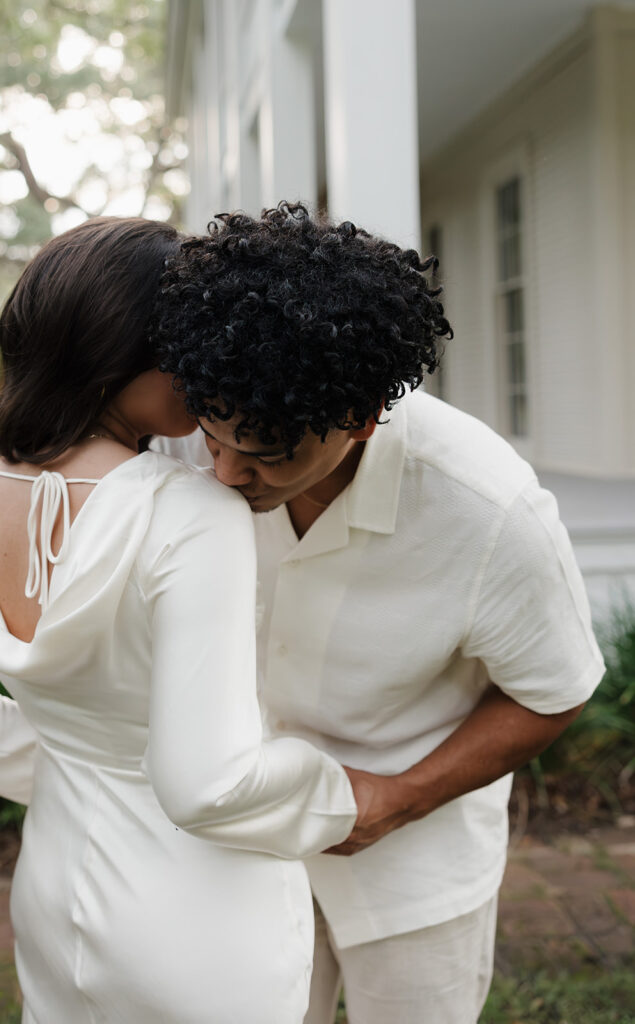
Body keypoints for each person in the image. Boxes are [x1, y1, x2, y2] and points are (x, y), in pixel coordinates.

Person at [0, 216, 363, 1024]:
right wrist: (338, 791)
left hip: (54, 888)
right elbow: (207, 787)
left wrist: (85, 763)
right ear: (120, 355)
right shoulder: (189, 510)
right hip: (204, 914)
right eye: (184, 346)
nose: (206, 369)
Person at [150, 202, 605, 1024]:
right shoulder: (185, 438)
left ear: (359, 420)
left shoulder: (486, 508)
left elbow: (553, 690)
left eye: (261, 453)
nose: (220, 474)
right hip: (233, 854)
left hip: (413, 870)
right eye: (212, 439)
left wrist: (401, 797)